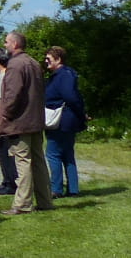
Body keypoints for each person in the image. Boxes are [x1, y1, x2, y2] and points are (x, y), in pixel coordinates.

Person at [0, 30, 55, 215]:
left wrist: (2, 119)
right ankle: (45, 201)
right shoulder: (34, 63)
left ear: (14, 44)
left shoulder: (15, 65)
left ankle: (22, 204)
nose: (5, 45)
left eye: (6, 42)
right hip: (36, 121)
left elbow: (11, 96)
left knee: (23, 162)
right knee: (38, 162)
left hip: (20, 122)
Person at [44, 46, 87, 198]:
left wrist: (80, 114)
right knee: (67, 154)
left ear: (58, 59)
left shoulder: (63, 75)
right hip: (68, 119)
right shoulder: (62, 75)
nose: (46, 61)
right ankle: (73, 189)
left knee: (53, 154)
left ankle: (56, 189)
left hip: (61, 120)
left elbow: (70, 96)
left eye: (49, 58)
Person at [0, 47, 19, 195]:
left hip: (3, 123)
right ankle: (6, 180)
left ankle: (11, 182)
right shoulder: (3, 76)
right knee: (2, 152)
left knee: (6, 152)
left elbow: (3, 101)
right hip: (2, 121)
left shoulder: (3, 78)